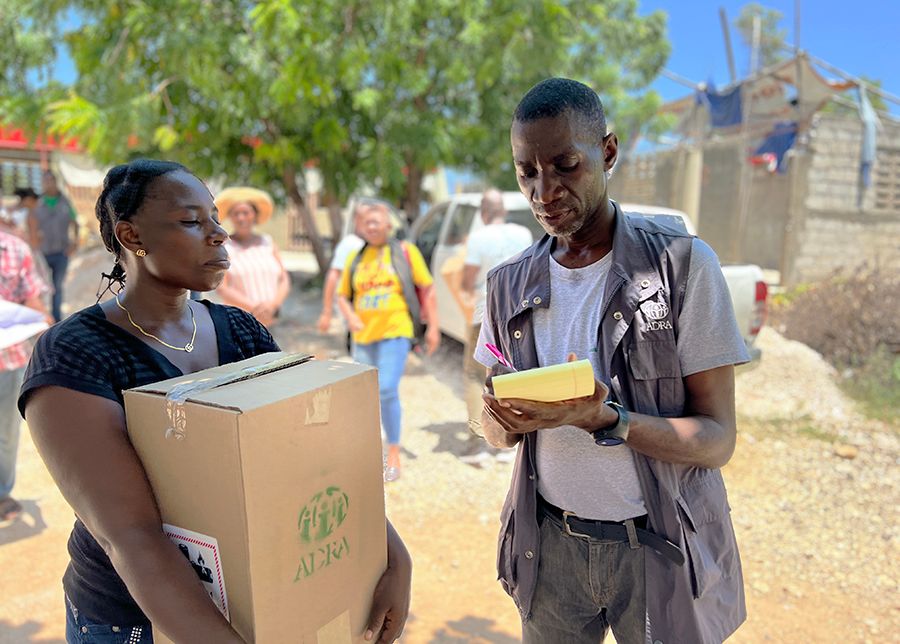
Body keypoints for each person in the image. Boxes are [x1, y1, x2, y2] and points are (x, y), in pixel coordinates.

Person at [18, 160, 412, 643]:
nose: (219, 234)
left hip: (251, 595)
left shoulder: (242, 332)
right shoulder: (77, 354)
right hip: (133, 619)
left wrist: (395, 558)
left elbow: (312, 462)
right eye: (191, 221)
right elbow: (132, 537)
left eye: (215, 218)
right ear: (131, 235)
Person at [475, 78, 748, 643]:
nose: (543, 191)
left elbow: (718, 440)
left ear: (608, 151)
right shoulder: (506, 286)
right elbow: (491, 430)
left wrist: (610, 420)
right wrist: (503, 424)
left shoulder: (680, 267)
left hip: (656, 551)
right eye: (526, 171)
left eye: (565, 165)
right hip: (548, 548)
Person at [337, 202, 439, 480]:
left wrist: (433, 327)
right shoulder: (355, 258)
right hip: (363, 336)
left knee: (386, 389)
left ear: (388, 225)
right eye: (366, 223)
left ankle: (393, 450)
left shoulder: (406, 251)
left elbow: (427, 287)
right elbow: (342, 295)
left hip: (396, 330)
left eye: (377, 222)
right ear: (360, 227)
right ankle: (370, 450)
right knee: (366, 395)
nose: (372, 227)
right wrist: (350, 318)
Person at [458, 188, 532, 463]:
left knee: (476, 375)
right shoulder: (523, 234)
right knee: (512, 375)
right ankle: (512, 442)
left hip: (484, 314)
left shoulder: (478, 238)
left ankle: (480, 444)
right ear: (503, 210)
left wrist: (465, 293)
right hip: (519, 315)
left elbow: (468, 280)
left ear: (483, 213)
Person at [0, 228, 49, 522]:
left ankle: (2, 493)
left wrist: (45, 324)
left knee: (6, 433)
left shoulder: (15, 250)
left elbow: (31, 299)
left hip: (9, 360)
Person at [213, 187, 291, 328]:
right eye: (236, 213)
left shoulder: (268, 242)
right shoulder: (225, 247)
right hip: (240, 323)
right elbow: (222, 288)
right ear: (230, 217)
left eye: (245, 213)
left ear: (255, 215)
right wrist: (257, 309)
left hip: (272, 321)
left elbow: (284, 278)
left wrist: (273, 306)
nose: (241, 218)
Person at [28, 171, 79, 322]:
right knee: (40, 287)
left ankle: (56, 320)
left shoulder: (65, 202)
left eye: (50, 180)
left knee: (57, 287)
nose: (48, 183)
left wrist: (74, 243)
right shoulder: (37, 203)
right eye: (45, 181)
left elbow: (75, 223)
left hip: (61, 253)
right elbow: (30, 226)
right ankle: (41, 318)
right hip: (42, 253)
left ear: (55, 182)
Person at [317, 204, 365, 334]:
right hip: (354, 313)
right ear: (356, 220)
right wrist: (327, 312)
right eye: (364, 218)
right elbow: (333, 276)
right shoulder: (351, 243)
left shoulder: (383, 247)